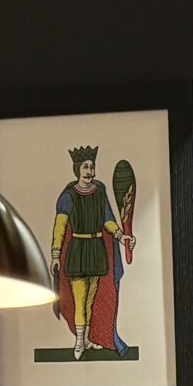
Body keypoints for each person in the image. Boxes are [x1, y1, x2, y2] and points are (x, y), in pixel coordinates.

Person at [50, 147, 134, 358]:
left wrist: (120, 235)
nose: (90, 171)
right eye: (86, 167)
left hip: (96, 251)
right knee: (80, 301)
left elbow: (107, 220)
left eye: (92, 166)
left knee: (90, 301)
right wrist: (55, 255)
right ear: (77, 169)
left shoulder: (100, 192)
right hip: (78, 251)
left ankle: (86, 339)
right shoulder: (68, 196)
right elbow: (60, 226)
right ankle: (79, 342)